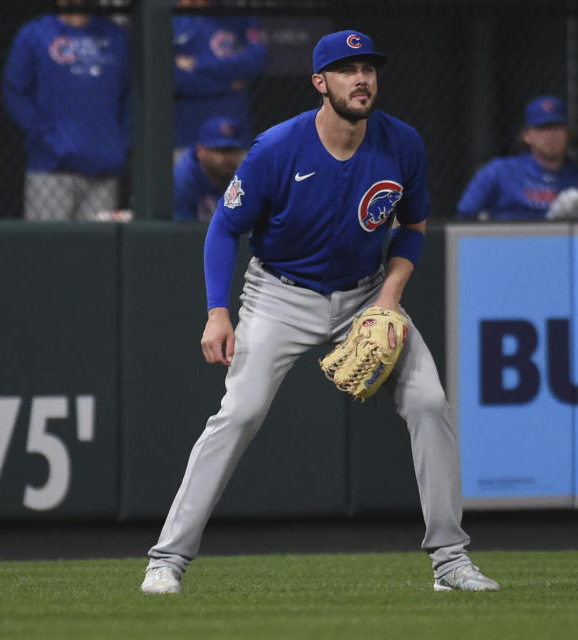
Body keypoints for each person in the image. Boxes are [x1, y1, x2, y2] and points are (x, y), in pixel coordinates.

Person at [141, 30, 500, 595]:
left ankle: (451, 561)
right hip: (280, 294)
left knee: (430, 402)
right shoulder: (277, 148)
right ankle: (167, 559)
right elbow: (224, 227)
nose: (361, 79)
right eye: (346, 69)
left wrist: (389, 297)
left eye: (369, 69)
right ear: (319, 83)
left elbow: (413, 226)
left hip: (366, 294)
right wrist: (217, 311)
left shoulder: (401, 143)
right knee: (239, 415)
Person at [2, 0, 131, 221]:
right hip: (52, 169)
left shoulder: (116, 37)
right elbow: (15, 93)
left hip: (103, 167)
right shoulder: (36, 33)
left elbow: (131, 96)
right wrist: (49, 137)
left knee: (97, 251)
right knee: (47, 249)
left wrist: (120, 140)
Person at [455, 95, 578, 221]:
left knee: (573, 201)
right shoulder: (499, 172)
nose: (550, 135)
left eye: (556, 128)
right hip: (512, 251)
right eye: (542, 128)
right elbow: (464, 217)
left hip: (563, 256)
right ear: (527, 135)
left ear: (568, 133)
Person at [172, 0, 266, 160]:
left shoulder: (236, 14)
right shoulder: (167, 15)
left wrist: (198, 65)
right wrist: (228, 84)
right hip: (185, 136)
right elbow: (174, 79)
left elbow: (255, 60)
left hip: (233, 135)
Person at [173, 117, 247, 221]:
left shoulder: (241, 177)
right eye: (220, 150)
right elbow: (179, 233)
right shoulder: (182, 181)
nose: (228, 158)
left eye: (233, 150)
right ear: (200, 151)